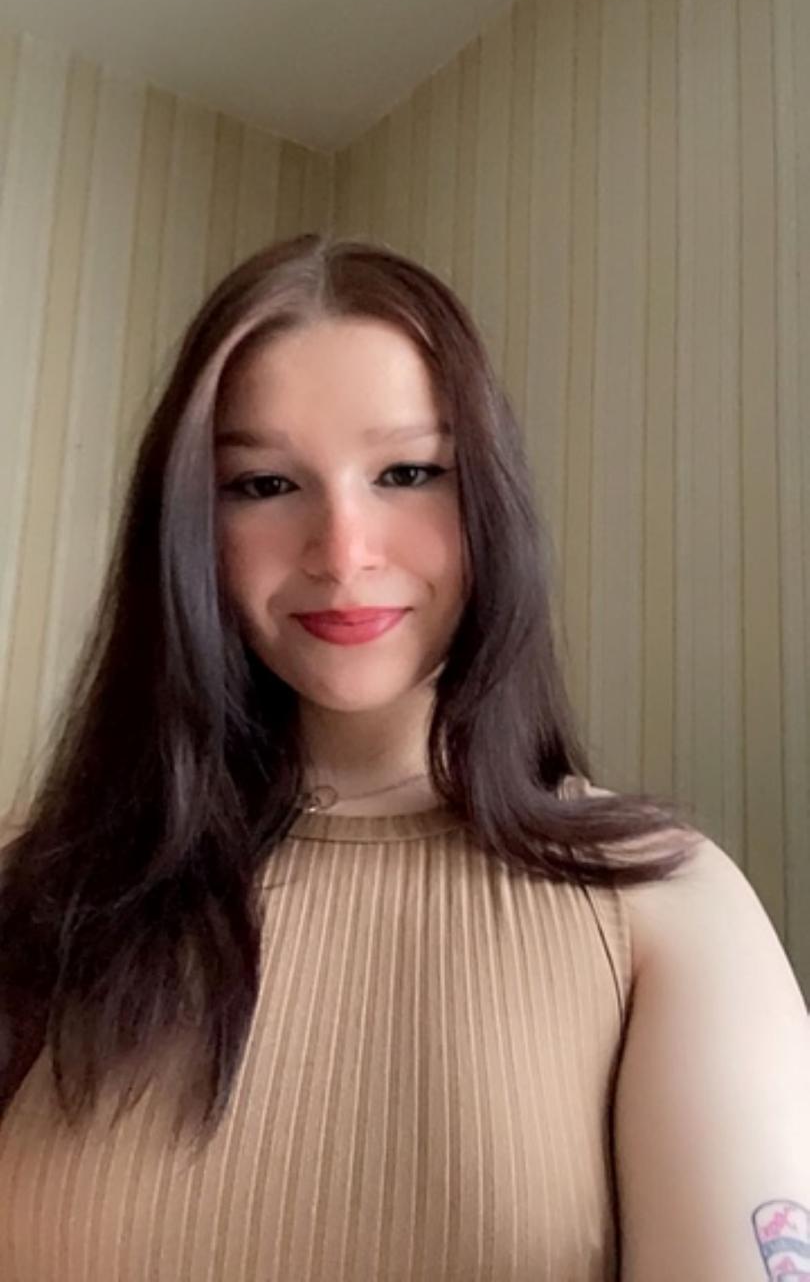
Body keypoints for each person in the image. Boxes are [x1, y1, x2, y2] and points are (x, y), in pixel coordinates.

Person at [0, 233, 807, 1281]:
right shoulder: (41, 892)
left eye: (409, 473)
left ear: (490, 504)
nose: (343, 552)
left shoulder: (667, 904)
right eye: (263, 484)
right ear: (191, 528)